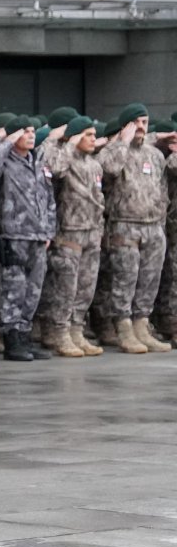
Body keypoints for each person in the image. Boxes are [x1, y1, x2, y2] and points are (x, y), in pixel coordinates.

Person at [0, 118, 57, 362]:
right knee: (14, 290)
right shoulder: (5, 160)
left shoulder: (38, 160)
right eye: (25, 131)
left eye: (33, 131)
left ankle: (25, 336)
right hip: (14, 235)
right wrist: (8, 140)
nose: (31, 135)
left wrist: (48, 231)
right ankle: (11, 339)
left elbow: (48, 198)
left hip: (38, 236)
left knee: (33, 291)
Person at [97, 104, 170, 354]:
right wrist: (121, 142)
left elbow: (162, 190)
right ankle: (124, 329)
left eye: (145, 122)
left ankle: (142, 325)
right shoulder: (114, 151)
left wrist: (159, 215)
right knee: (125, 280)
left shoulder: (155, 155)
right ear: (126, 125)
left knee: (149, 280)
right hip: (125, 226)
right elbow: (108, 170)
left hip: (152, 226)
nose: (141, 127)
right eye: (136, 122)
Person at [40, 117, 106, 357]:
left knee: (86, 288)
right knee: (66, 288)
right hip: (69, 233)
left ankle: (77, 330)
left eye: (93, 134)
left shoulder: (94, 165)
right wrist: (69, 143)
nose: (92, 139)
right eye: (87, 134)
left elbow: (99, 198)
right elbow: (54, 168)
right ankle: (60, 333)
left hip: (91, 232)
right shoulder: (64, 158)